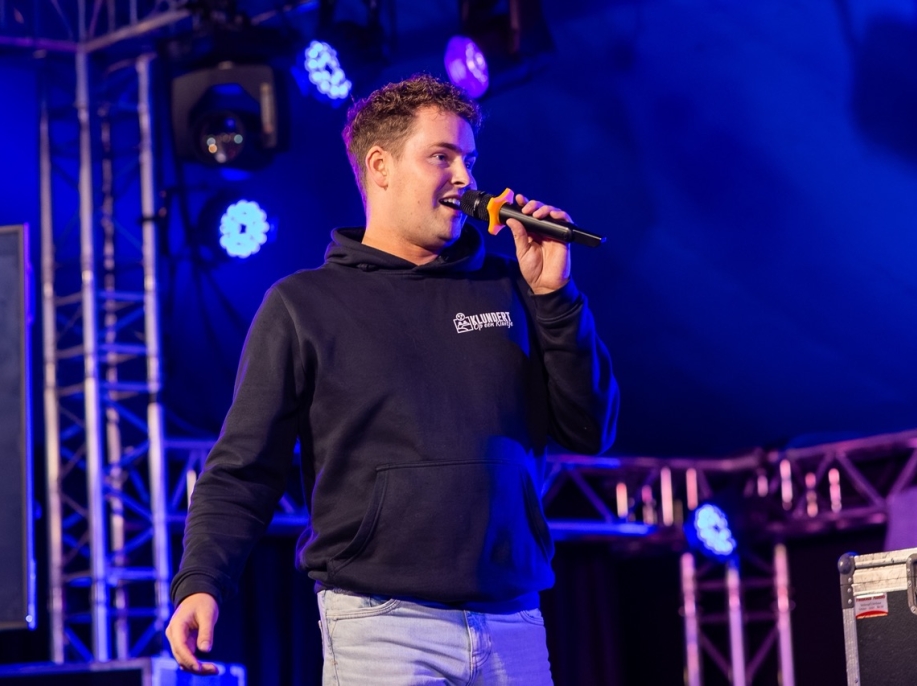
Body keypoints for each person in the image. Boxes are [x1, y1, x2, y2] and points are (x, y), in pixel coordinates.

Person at [166, 73, 619, 685]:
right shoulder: (306, 305)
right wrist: (201, 581)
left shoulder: (514, 286)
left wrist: (555, 298)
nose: (464, 178)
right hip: (382, 625)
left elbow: (590, 430)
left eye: (468, 160)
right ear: (380, 166)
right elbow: (243, 468)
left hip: (512, 619)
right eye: (442, 157)